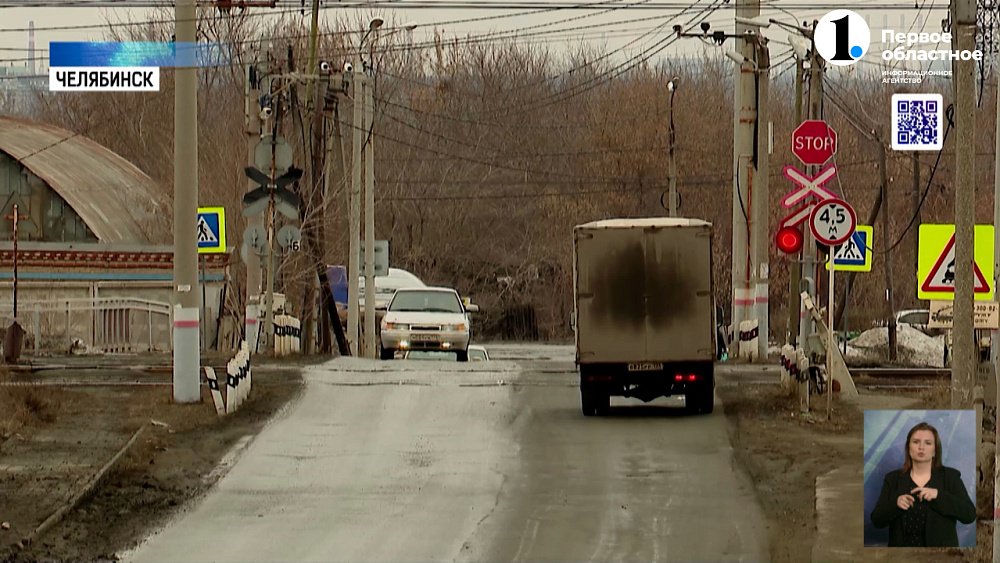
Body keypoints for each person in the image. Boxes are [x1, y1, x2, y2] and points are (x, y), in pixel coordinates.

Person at [870, 421, 976, 547]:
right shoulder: (892, 479)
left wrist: (939, 496)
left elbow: (969, 515)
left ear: (935, 451)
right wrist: (895, 504)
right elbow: (877, 520)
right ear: (908, 448)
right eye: (916, 442)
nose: (921, 447)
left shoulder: (950, 477)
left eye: (928, 443)